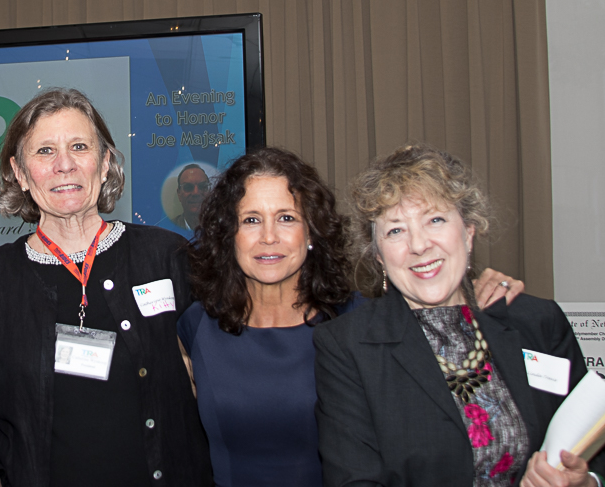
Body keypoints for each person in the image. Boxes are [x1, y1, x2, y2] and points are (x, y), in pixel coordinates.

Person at [176, 147, 522, 486]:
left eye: (286, 218)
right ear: (228, 234)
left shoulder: (365, 324)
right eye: (251, 220)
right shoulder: (196, 326)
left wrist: (477, 291)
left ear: (311, 231)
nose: (269, 237)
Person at [0, 88, 211, 487]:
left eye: (79, 146)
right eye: (44, 151)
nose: (65, 165)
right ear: (20, 173)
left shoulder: (166, 256)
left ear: (105, 161)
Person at [314, 143, 598, 487]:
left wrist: (586, 483)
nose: (418, 245)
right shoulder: (348, 346)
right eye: (395, 230)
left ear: (468, 232)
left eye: (435, 220)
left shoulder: (537, 322)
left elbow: (593, 445)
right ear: (378, 256)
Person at [172, 164, 211, 231]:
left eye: (202, 186)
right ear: (179, 194)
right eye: (188, 187)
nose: (196, 193)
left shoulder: (224, 226)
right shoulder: (168, 227)